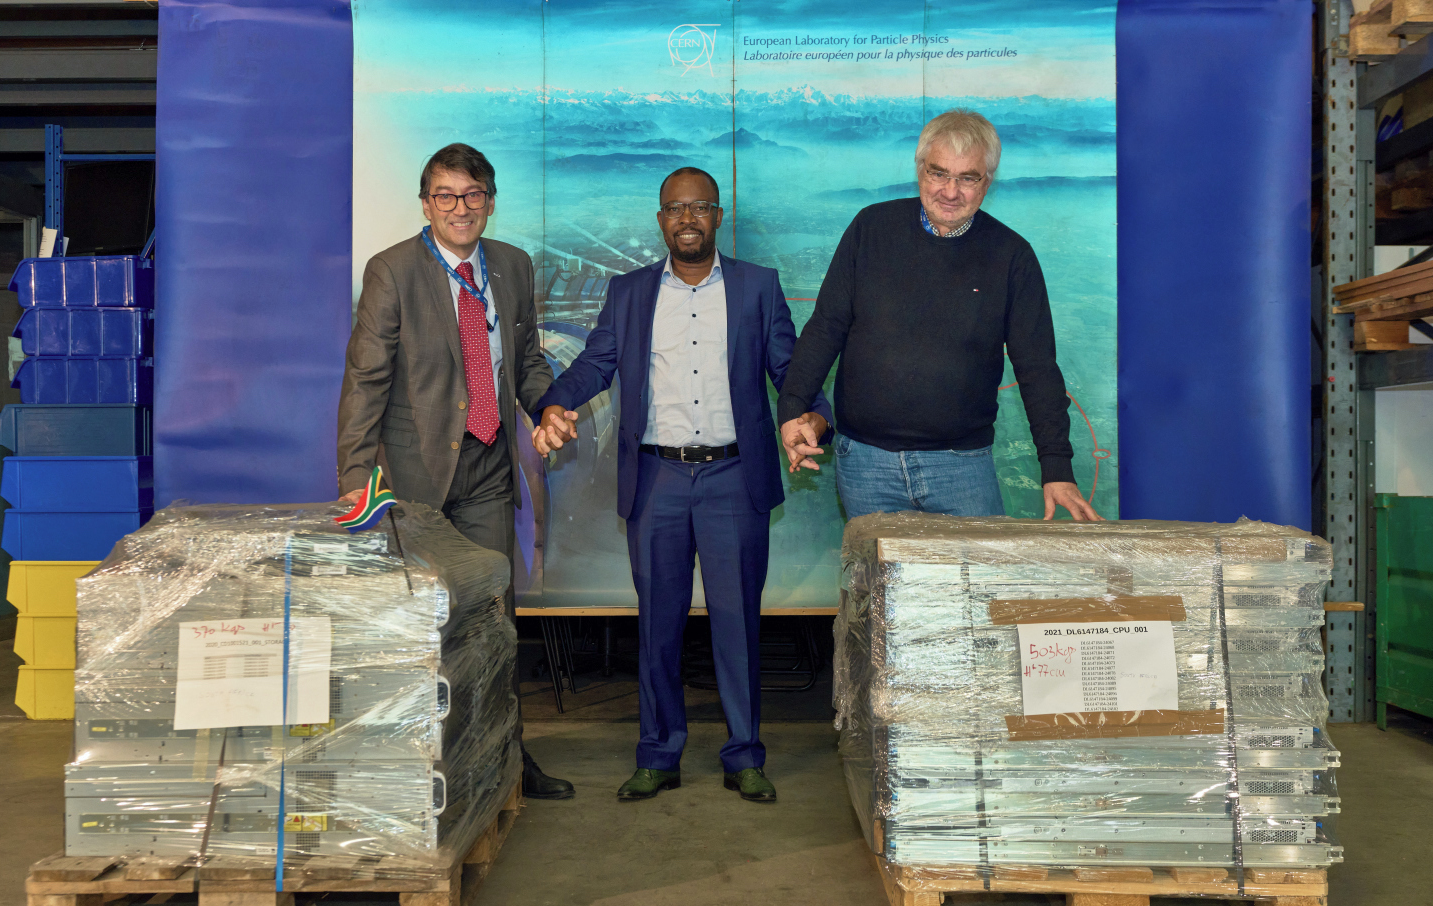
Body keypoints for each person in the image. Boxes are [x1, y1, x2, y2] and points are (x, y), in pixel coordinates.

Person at [530, 167, 832, 803]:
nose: (688, 219)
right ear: (660, 218)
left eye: (700, 207)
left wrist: (812, 418)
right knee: (658, 625)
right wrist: (555, 404)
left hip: (732, 477)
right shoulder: (631, 292)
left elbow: (791, 369)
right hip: (658, 479)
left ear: (718, 216)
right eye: (675, 208)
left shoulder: (758, 287)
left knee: (736, 623)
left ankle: (744, 755)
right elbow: (596, 364)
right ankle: (657, 753)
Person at [336, 142, 575, 800]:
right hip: (415, 479)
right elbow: (365, 383)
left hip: (489, 469)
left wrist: (548, 406)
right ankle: (421, 770)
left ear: (490, 204)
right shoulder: (392, 272)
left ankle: (506, 760)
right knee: (421, 625)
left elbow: (525, 362)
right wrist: (357, 483)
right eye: (446, 196)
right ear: (426, 205)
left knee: (494, 617)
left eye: (472, 196)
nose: (460, 209)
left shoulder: (513, 267)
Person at [776, 110, 1102, 522]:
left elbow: (1037, 368)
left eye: (968, 178)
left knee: (972, 588)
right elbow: (826, 327)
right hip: (863, 465)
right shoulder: (870, 228)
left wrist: (1056, 468)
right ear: (919, 171)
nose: (951, 191)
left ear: (987, 182)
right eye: (939, 173)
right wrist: (791, 410)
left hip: (962, 469)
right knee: (875, 587)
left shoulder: (1012, 257)